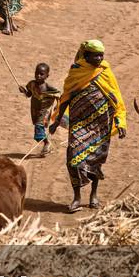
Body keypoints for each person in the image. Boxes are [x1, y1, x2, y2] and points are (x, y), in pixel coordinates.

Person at [49, 39, 126, 213]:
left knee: (95, 161)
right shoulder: (76, 71)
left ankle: (93, 196)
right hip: (79, 125)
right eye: (96, 55)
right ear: (86, 55)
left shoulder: (105, 72)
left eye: (102, 55)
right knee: (73, 160)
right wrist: (56, 121)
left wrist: (120, 122)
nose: (99, 58)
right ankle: (77, 197)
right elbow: (66, 98)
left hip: (101, 126)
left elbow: (116, 99)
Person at [19, 62, 61, 157]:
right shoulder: (31, 84)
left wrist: (57, 106)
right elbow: (29, 94)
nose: (38, 76)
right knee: (38, 130)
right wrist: (24, 91)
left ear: (47, 76)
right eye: (37, 73)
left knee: (38, 128)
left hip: (44, 111)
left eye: (41, 74)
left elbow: (58, 94)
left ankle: (47, 143)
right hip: (35, 109)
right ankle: (46, 144)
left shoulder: (47, 87)